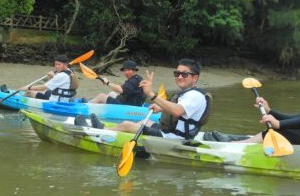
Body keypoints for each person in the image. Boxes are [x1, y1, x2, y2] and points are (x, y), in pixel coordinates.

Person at [82, 59, 210, 140]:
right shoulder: (189, 93)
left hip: (174, 137)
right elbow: (181, 111)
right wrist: (160, 107)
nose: (179, 76)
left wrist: (152, 95)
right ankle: (113, 129)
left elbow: (177, 111)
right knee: (145, 122)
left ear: (195, 78)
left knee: (127, 124)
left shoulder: (194, 96)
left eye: (184, 74)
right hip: (172, 132)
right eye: (177, 73)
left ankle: (101, 133)